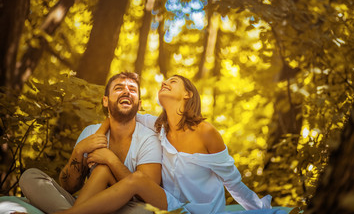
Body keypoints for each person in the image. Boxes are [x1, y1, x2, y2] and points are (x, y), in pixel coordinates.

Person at [54, 75, 285, 214]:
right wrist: (100, 136)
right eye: (165, 80)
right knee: (123, 176)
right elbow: (118, 115)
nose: (165, 82)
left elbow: (233, 183)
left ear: (187, 95)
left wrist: (263, 209)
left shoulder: (206, 132)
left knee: (137, 179)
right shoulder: (157, 126)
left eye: (173, 82)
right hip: (171, 206)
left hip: (201, 213)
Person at [19, 72, 162, 214]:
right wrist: (79, 150)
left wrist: (110, 160)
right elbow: (68, 187)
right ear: (105, 101)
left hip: (125, 208)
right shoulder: (90, 133)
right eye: (119, 88)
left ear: (139, 105)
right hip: (85, 204)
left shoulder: (148, 139)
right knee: (30, 176)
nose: (126, 91)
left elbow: (148, 194)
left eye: (132, 89)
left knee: (143, 212)